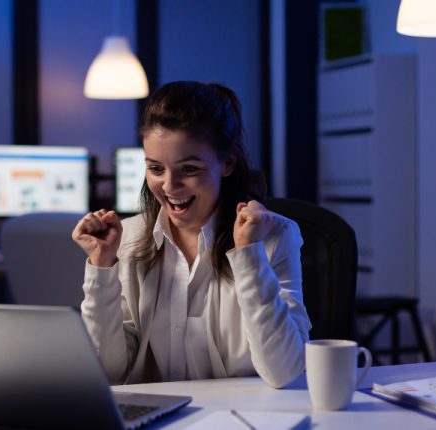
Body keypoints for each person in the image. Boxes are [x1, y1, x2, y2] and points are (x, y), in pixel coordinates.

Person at [72, 81, 310, 388]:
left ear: (227, 163)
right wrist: (102, 268)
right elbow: (107, 374)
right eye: (156, 168)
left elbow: (285, 371)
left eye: (189, 169)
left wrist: (249, 256)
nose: (170, 186)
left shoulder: (275, 236)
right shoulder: (127, 238)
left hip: (240, 418)